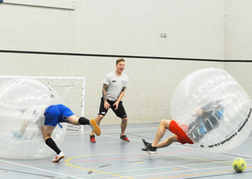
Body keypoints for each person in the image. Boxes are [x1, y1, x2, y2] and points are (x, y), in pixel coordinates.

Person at [14, 104, 101, 162]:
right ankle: (89, 122)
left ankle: (59, 153)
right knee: (75, 120)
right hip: (60, 107)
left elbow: (24, 126)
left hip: (51, 111)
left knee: (47, 136)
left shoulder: (29, 111)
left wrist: (19, 135)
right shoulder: (38, 109)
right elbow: (40, 128)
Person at [142, 101, 224, 154]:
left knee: (163, 122)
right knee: (171, 139)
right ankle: (153, 146)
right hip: (194, 138)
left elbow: (194, 112)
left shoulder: (210, 111)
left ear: (215, 105)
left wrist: (201, 105)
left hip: (188, 132)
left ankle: (153, 147)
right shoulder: (217, 118)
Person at [90, 58, 129, 143]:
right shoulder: (109, 76)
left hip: (116, 101)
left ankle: (122, 134)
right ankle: (92, 134)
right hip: (107, 99)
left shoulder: (125, 78)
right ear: (116, 65)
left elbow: (123, 91)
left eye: (123, 65)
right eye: (120, 65)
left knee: (125, 119)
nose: (122, 66)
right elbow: (104, 89)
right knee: (100, 116)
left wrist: (118, 102)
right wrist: (105, 101)